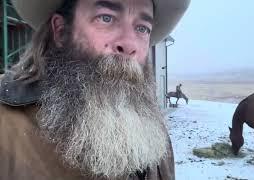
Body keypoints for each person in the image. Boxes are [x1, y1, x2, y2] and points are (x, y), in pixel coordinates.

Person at [0, 0, 190, 179]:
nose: (129, 45)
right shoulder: (7, 128)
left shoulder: (155, 134)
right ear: (61, 31)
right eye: (106, 18)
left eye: (142, 28)